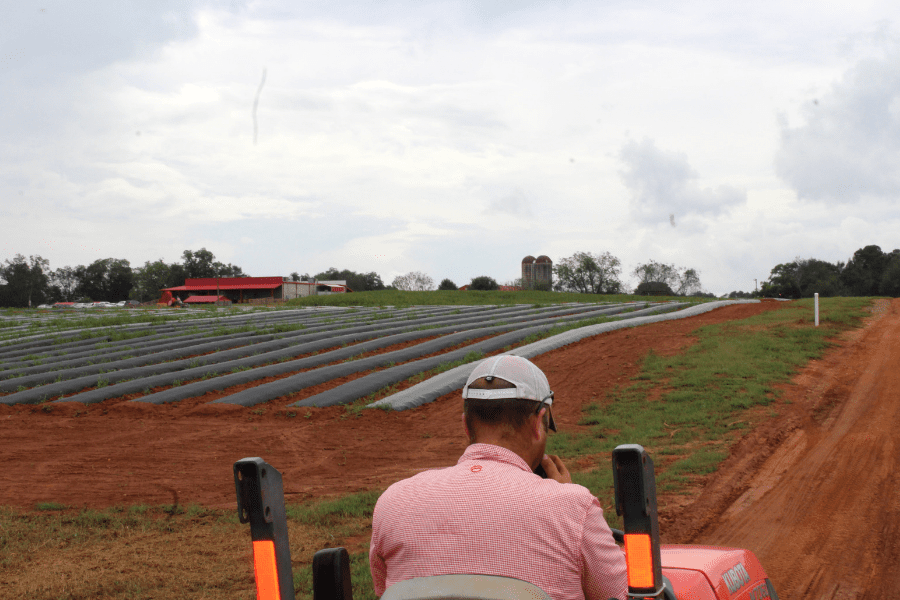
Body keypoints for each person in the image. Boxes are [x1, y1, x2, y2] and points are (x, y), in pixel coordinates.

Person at [370, 354, 628, 600]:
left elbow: (384, 590)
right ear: (539, 423)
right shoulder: (573, 507)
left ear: (465, 425)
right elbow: (621, 594)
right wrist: (565, 499)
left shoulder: (393, 502)